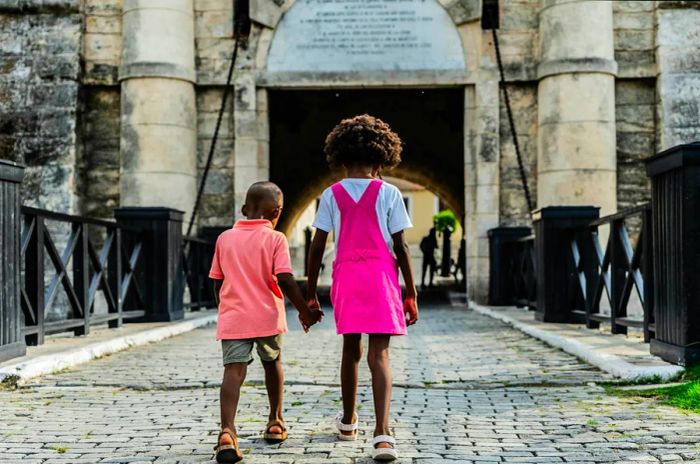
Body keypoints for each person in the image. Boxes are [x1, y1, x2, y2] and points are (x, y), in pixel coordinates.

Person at [306, 114, 419, 462]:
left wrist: (310, 292)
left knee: (350, 350)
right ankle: (382, 435)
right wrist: (410, 292)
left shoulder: (331, 194)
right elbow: (401, 247)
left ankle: (348, 421)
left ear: (339, 157)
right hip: (381, 276)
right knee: (379, 355)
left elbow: (317, 244)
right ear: (382, 156)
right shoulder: (389, 193)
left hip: (347, 277)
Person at [209, 181, 324, 464]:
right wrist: (305, 311)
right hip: (267, 316)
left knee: (233, 373)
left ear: (244, 209)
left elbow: (217, 281)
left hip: (234, 317)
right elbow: (284, 278)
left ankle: (227, 432)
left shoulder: (224, 238)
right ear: (277, 212)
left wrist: (224, 309)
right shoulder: (276, 239)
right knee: (272, 365)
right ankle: (275, 420)